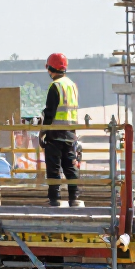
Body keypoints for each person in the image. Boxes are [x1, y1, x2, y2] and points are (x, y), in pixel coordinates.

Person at [42, 53, 81, 207]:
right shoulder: (72, 85)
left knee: (54, 168)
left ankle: (54, 199)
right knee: (70, 167)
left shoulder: (55, 86)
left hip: (56, 133)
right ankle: (74, 198)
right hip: (70, 133)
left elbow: (50, 112)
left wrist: (43, 131)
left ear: (50, 68)